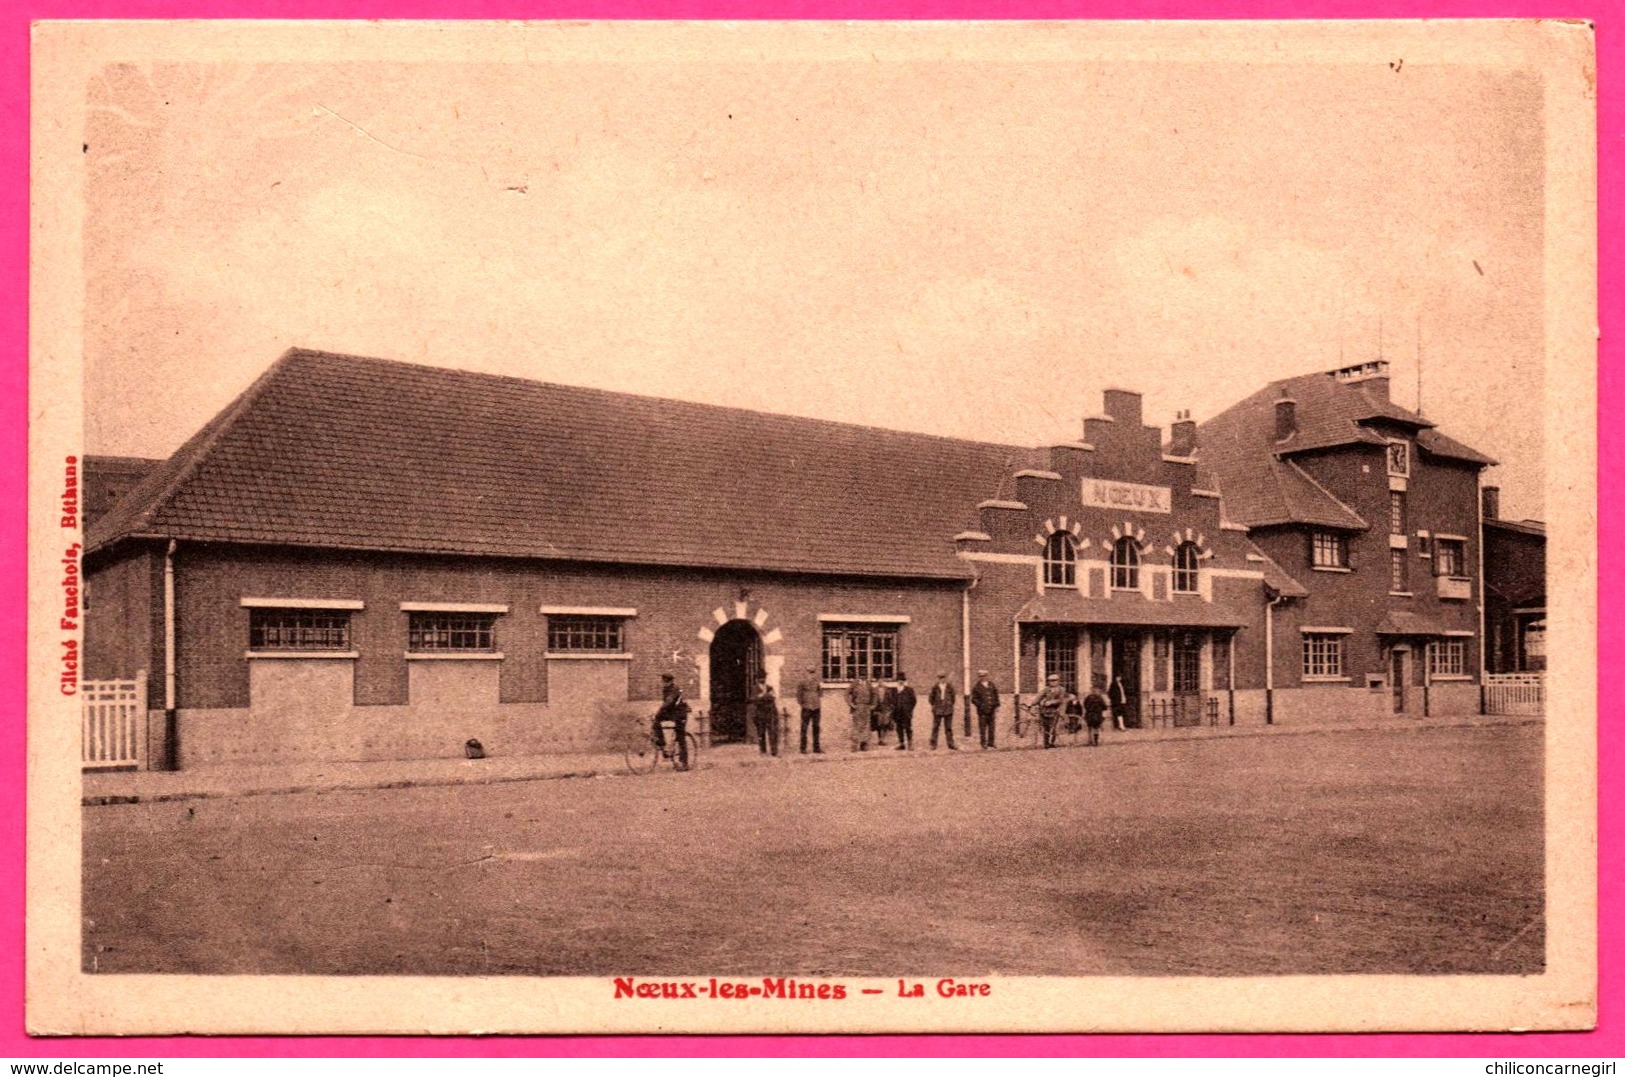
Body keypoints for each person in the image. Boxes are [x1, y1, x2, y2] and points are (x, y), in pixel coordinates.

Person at [653, 672, 691, 771]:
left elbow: (668, 702)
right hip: (672, 713)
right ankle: (662, 743)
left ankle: (684, 763)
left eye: (665, 682)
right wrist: (658, 714)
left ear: (670, 682)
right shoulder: (666, 689)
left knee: (680, 737)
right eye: (663, 681)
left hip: (680, 714)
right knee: (656, 721)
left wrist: (659, 711)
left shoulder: (675, 689)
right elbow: (666, 704)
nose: (664, 683)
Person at [795, 667, 823, 754]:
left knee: (816, 727)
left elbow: (820, 693)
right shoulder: (802, 682)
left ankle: (816, 748)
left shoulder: (817, 682)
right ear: (806, 672)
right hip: (806, 707)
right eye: (810, 672)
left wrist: (820, 687)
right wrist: (802, 704)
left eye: (813, 672)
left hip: (816, 706)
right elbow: (798, 695)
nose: (812, 674)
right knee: (804, 728)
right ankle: (803, 748)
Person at [970, 670, 1000, 749]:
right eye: (981, 676)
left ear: (987, 676)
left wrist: (997, 705)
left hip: (991, 709)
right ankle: (983, 743)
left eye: (984, 676)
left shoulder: (991, 685)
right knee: (983, 728)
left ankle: (991, 742)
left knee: (992, 727)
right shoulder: (977, 687)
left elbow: (996, 695)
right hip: (982, 711)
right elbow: (973, 699)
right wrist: (980, 705)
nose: (983, 678)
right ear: (979, 677)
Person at [1035, 674, 1067, 749]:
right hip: (1045, 710)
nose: (1051, 682)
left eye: (1053, 681)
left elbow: (1061, 700)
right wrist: (1032, 703)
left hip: (1056, 710)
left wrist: (1052, 702)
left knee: (1053, 727)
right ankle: (1046, 744)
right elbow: (1039, 696)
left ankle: (1052, 742)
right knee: (1046, 727)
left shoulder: (1061, 689)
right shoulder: (1046, 689)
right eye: (1050, 681)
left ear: (1058, 681)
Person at [751, 675, 779, 756]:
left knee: (772, 732)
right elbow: (755, 700)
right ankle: (763, 751)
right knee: (761, 733)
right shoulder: (754, 688)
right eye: (760, 678)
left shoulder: (769, 687)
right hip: (760, 713)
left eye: (763, 678)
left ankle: (774, 751)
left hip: (770, 713)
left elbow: (773, 698)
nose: (762, 679)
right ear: (757, 679)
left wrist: (762, 696)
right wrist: (765, 695)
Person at [929, 672, 958, 750]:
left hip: (948, 709)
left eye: (943, 677)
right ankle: (933, 744)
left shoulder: (950, 687)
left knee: (948, 727)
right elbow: (931, 698)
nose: (942, 679)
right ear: (938, 678)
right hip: (938, 709)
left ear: (946, 678)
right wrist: (935, 705)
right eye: (940, 678)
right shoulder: (935, 687)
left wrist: (949, 704)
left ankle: (951, 744)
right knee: (935, 727)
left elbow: (953, 697)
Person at [847, 676, 876, 752]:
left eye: (864, 674)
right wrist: (851, 704)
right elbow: (846, 694)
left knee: (866, 726)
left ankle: (864, 744)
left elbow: (874, 694)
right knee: (857, 726)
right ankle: (854, 744)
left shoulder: (868, 684)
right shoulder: (854, 683)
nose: (863, 676)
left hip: (866, 707)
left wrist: (873, 705)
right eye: (861, 674)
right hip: (857, 707)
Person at [893, 673, 917, 750]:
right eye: (899, 680)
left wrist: (909, 709)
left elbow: (913, 701)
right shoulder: (894, 690)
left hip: (906, 713)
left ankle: (910, 743)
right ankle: (901, 743)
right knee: (899, 728)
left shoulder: (909, 690)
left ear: (904, 681)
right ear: (897, 681)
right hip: (897, 713)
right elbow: (891, 701)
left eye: (902, 680)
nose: (901, 682)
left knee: (907, 727)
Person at [1082, 680, 1109, 746]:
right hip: (1097, 715)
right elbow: (1104, 706)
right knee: (1096, 728)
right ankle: (1095, 741)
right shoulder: (1100, 698)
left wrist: (1088, 709)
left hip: (1089, 714)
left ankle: (1090, 741)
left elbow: (1085, 705)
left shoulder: (1088, 697)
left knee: (1089, 728)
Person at [871, 676, 895, 746]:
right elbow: (872, 699)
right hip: (878, 709)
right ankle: (879, 739)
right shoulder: (874, 690)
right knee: (878, 724)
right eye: (879, 681)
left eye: (882, 681)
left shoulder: (888, 690)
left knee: (885, 724)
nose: (880, 682)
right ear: (877, 682)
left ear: (884, 681)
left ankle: (883, 739)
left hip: (886, 709)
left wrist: (891, 708)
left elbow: (891, 699)